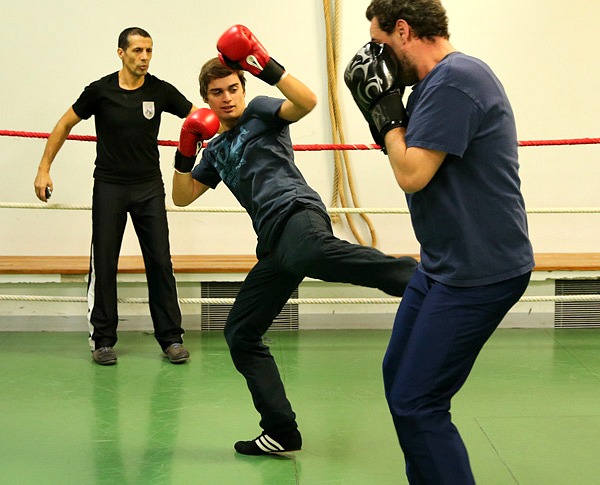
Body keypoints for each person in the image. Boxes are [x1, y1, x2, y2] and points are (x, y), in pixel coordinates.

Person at [171, 24, 418, 455]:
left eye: (232, 88)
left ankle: (413, 277)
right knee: (241, 334)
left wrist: (266, 64)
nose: (226, 97)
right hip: (273, 244)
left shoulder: (261, 112)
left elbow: (305, 102)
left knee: (311, 251)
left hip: (297, 213)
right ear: (205, 98)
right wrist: (185, 148)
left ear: (243, 87)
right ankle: (281, 430)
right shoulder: (213, 152)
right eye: (216, 92)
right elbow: (183, 196)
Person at [344, 1, 535, 483]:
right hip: (442, 264)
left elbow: (411, 172)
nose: (378, 60)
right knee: (399, 379)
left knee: (418, 400)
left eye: (382, 45)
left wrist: (386, 116)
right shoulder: (436, 84)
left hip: (479, 271)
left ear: (403, 31)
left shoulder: (456, 80)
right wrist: (386, 118)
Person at [33, 27, 196, 365]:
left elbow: (198, 117)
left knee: (161, 263)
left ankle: (171, 339)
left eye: (149, 51)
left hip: (149, 186)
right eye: (137, 51)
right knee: (104, 263)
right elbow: (64, 125)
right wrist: (44, 168)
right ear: (121, 52)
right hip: (109, 186)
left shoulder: (160, 91)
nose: (144, 58)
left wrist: (233, 130)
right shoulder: (100, 91)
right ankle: (102, 341)